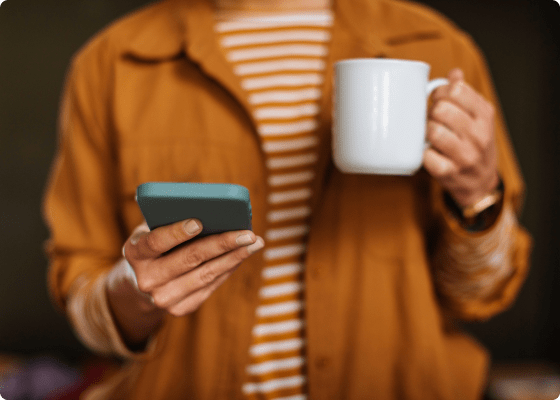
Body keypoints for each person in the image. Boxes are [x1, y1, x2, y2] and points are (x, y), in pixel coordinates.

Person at [42, 0, 532, 398]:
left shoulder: (439, 49)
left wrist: (476, 195)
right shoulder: (111, 64)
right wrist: (134, 293)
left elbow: (481, 296)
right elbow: (85, 305)